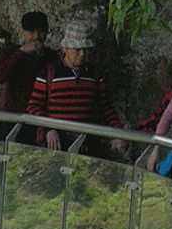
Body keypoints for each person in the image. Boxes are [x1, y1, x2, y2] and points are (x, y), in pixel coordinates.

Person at [26, 17, 128, 154]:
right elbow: (33, 106)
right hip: (56, 144)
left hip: (87, 145)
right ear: (65, 49)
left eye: (86, 49)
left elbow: (106, 108)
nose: (82, 54)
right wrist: (49, 129)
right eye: (77, 50)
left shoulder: (95, 74)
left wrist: (118, 132)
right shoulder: (49, 73)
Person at [0, 11, 61, 126]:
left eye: (41, 31)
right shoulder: (11, 52)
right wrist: (20, 53)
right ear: (23, 32)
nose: (37, 36)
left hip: (40, 118)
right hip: (13, 117)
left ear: (47, 32)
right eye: (32, 32)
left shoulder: (51, 56)